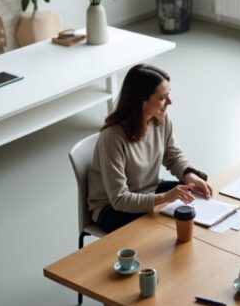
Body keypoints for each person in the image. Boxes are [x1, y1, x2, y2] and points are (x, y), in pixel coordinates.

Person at [87, 64, 212, 233]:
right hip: (111, 209)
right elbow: (119, 199)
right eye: (163, 98)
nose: (169, 102)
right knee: (164, 225)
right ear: (141, 101)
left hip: (148, 191)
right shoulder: (112, 137)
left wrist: (190, 176)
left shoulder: (160, 119)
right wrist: (165, 197)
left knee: (193, 193)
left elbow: (173, 156)